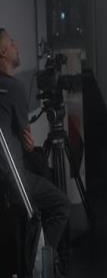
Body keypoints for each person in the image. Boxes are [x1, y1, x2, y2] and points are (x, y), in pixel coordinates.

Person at [0, 28, 71, 250]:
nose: (17, 46)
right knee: (61, 205)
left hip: (4, 177)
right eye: (12, 43)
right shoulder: (14, 87)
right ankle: (40, 261)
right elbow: (27, 141)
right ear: (3, 52)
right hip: (14, 177)